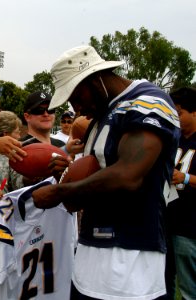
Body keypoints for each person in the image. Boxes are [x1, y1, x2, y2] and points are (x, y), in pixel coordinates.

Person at [32, 45, 181, 300]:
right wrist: (67, 175)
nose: (76, 108)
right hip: (91, 249)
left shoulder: (147, 102)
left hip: (131, 256)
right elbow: (96, 176)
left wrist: (59, 191)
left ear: (94, 80)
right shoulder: (104, 114)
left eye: (76, 97)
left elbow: (128, 175)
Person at [167, 87, 196, 300]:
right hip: (167, 221)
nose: (175, 118)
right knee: (164, 283)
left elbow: (183, 177)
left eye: (179, 113)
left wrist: (185, 178)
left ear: (194, 112)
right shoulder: (173, 138)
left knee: (189, 288)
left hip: (190, 226)